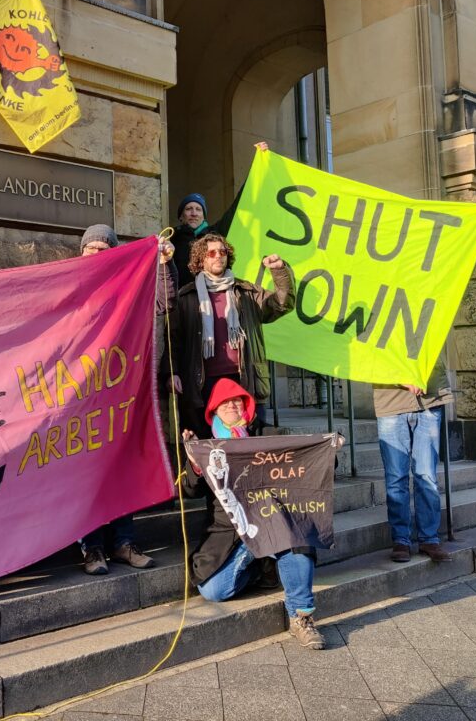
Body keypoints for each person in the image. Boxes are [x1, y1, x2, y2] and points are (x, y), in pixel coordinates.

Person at [182, 377, 324, 650]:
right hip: (230, 533)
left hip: (272, 522)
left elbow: (303, 457)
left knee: (294, 538)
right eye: (226, 402)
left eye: (238, 401)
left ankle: (301, 616)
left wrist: (326, 451)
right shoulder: (205, 442)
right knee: (213, 590)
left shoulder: (264, 432)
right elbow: (189, 491)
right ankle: (261, 566)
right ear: (214, 410)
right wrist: (194, 463)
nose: (233, 406)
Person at [77, 223, 176, 575]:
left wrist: (163, 265)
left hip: (121, 388)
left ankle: (123, 543)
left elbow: (163, 303)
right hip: (81, 393)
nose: (99, 253)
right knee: (86, 472)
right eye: (93, 247)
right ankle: (92, 549)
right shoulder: (69, 283)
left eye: (106, 247)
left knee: (120, 465)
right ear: (82, 251)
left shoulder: (129, 280)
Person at [168, 233, 294, 438]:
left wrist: (279, 271)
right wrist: (170, 373)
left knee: (248, 443)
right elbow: (174, 339)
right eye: (211, 252)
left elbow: (282, 303)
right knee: (207, 444)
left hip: (243, 379)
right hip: (202, 383)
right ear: (201, 260)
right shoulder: (186, 297)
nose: (218, 256)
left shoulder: (246, 292)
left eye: (222, 251)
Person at [374, 356, 454, 563]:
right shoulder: (377, 323)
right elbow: (366, 358)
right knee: (396, 477)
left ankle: (429, 538)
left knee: (426, 475)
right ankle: (401, 539)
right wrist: (403, 378)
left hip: (429, 399)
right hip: (390, 403)